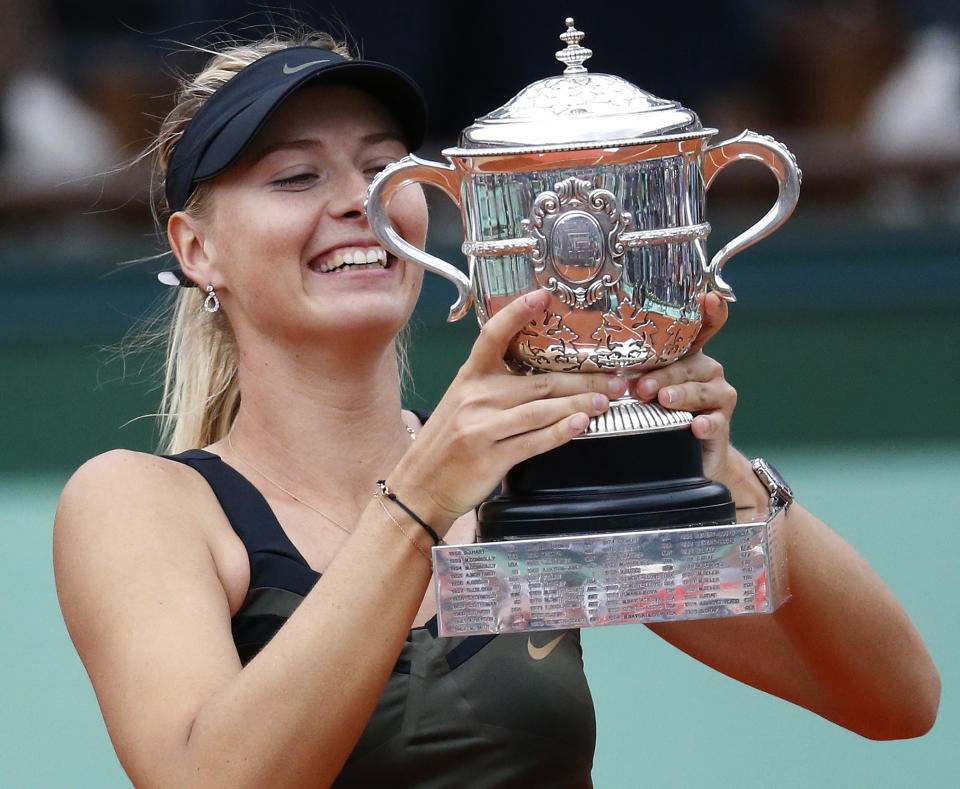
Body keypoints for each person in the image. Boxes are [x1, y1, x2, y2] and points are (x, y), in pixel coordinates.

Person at [53, 30, 940, 789]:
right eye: (294, 177)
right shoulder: (141, 503)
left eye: (379, 167)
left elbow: (895, 699)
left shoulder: (529, 484)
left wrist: (724, 473)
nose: (355, 204)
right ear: (197, 247)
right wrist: (416, 505)